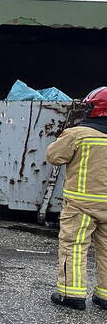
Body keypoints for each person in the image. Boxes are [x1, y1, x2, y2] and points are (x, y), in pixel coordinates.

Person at [46, 86, 107, 311]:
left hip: (81, 205)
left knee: (74, 246)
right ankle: (104, 295)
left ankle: (71, 294)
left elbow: (54, 156)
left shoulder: (78, 134)